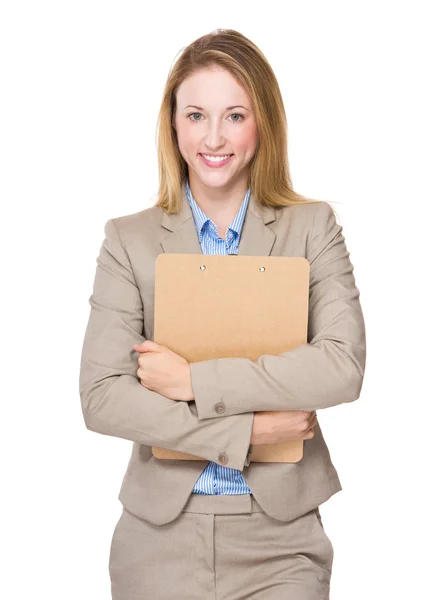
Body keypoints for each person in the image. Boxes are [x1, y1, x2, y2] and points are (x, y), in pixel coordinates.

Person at [79, 28, 366, 600]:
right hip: (157, 542)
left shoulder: (312, 229)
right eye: (196, 115)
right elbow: (103, 396)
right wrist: (248, 432)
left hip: (281, 541)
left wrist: (191, 381)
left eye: (235, 115)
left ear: (263, 123)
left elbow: (341, 366)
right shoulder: (129, 240)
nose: (214, 137)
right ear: (173, 124)